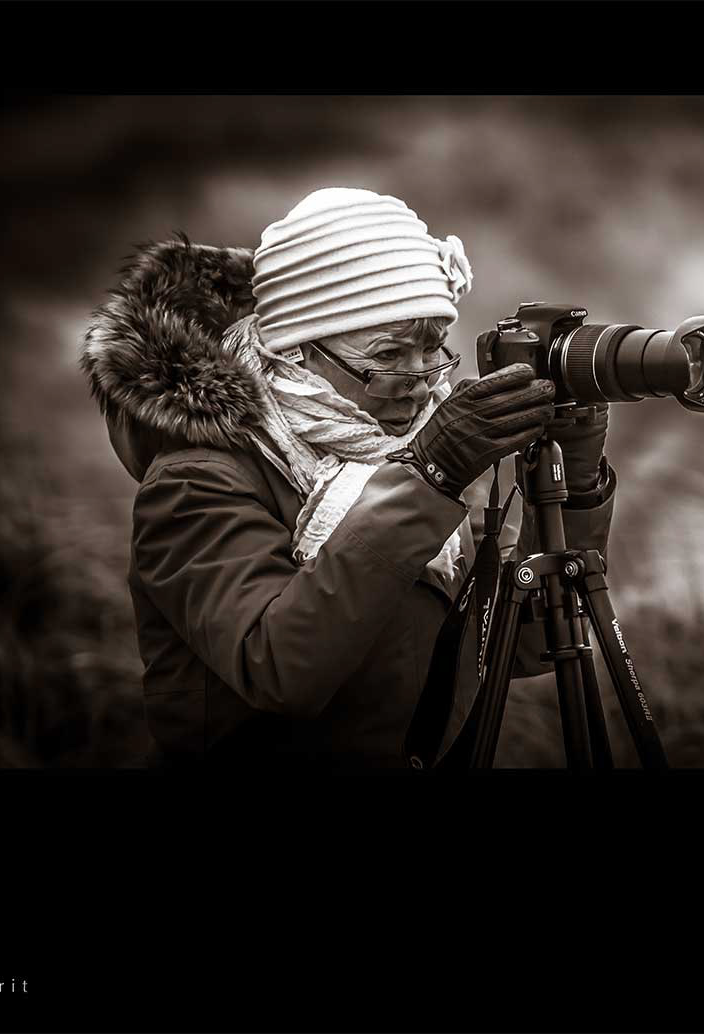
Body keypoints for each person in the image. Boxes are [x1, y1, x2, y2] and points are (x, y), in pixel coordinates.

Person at [81, 187, 617, 768]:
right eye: (387, 356)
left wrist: (576, 472)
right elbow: (280, 669)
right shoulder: (193, 482)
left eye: (432, 349)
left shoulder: (414, 449)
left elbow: (526, 641)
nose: (420, 381)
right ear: (296, 351)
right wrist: (428, 475)